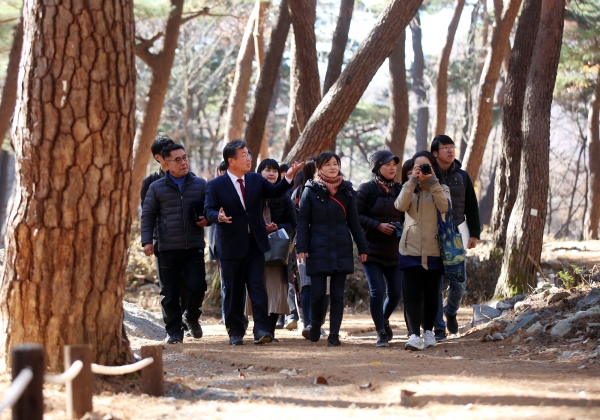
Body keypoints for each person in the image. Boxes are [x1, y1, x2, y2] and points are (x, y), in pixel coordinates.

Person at [204, 140, 302, 346]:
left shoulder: (256, 180)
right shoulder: (215, 185)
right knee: (233, 290)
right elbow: (209, 210)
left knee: (258, 288)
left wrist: (290, 176)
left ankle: (262, 330)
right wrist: (217, 216)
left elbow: (276, 192)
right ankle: (235, 331)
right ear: (231, 161)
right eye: (244, 155)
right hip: (230, 246)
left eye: (249, 154)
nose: (249, 158)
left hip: (255, 244)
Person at [296, 152, 368, 347]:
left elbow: (353, 222)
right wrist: (301, 246)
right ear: (319, 168)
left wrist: (363, 248)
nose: (332, 167)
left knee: (337, 294)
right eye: (327, 164)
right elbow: (303, 221)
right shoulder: (309, 190)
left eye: (335, 163)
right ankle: (316, 323)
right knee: (318, 293)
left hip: (341, 246)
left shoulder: (347, 190)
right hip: (317, 247)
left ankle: (334, 334)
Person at [141, 143, 209, 344]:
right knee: (169, 293)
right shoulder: (155, 187)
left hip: (194, 245)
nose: (183, 162)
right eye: (177, 159)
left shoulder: (200, 184)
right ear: (166, 163)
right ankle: (174, 331)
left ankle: (191, 315)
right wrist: (147, 241)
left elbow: (210, 209)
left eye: (185, 157)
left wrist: (208, 219)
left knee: (198, 286)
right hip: (167, 247)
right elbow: (148, 216)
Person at [395, 151, 450, 351]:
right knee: (412, 295)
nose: (422, 170)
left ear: (433, 167)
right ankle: (413, 335)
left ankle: (428, 331)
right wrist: (411, 181)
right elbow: (400, 205)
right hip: (410, 249)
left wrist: (433, 182)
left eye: (426, 166)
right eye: (419, 167)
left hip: (434, 249)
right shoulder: (408, 188)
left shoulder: (441, 188)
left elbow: (445, 207)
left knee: (432, 293)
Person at [430, 135, 481, 340]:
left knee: (459, 284)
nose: (450, 151)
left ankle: (450, 312)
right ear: (435, 153)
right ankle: (438, 327)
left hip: (457, 235)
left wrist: (475, 234)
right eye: (445, 148)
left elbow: (472, 207)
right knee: (437, 284)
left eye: (452, 147)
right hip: (433, 236)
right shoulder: (429, 174)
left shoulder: (463, 176)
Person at [246, 159, 297, 341]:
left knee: (276, 291)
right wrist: (260, 229)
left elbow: (293, 224)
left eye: (275, 170)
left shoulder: (284, 197)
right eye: (267, 170)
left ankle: (269, 332)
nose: (272, 173)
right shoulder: (250, 195)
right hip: (253, 250)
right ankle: (260, 330)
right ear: (259, 173)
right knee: (257, 290)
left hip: (277, 251)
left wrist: (275, 228)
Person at [357, 150, 404, 347]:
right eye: (387, 164)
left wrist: (399, 226)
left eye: (394, 164)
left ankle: (383, 319)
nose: (392, 168)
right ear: (377, 168)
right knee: (377, 291)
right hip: (371, 249)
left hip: (395, 250)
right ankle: (380, 332)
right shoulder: (366, 189)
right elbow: (355, 216)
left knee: (395, 293)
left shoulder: (401, 189)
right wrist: (377, 225)